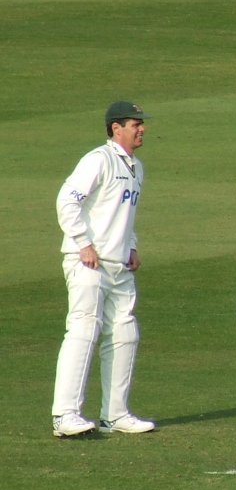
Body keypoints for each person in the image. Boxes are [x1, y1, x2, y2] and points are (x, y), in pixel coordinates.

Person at [52, 101, 156, 437]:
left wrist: (133, 246)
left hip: (118, 264)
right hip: (89, 262)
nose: (141, 129)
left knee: (125, 333)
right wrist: (83, 243)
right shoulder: (99, 159)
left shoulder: (136, 167)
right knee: (83, 331)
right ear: (116, 128)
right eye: (134, 124)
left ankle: (115, 414)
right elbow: (68, 200)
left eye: (141, 124)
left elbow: (123, 215)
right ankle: (65, 415)